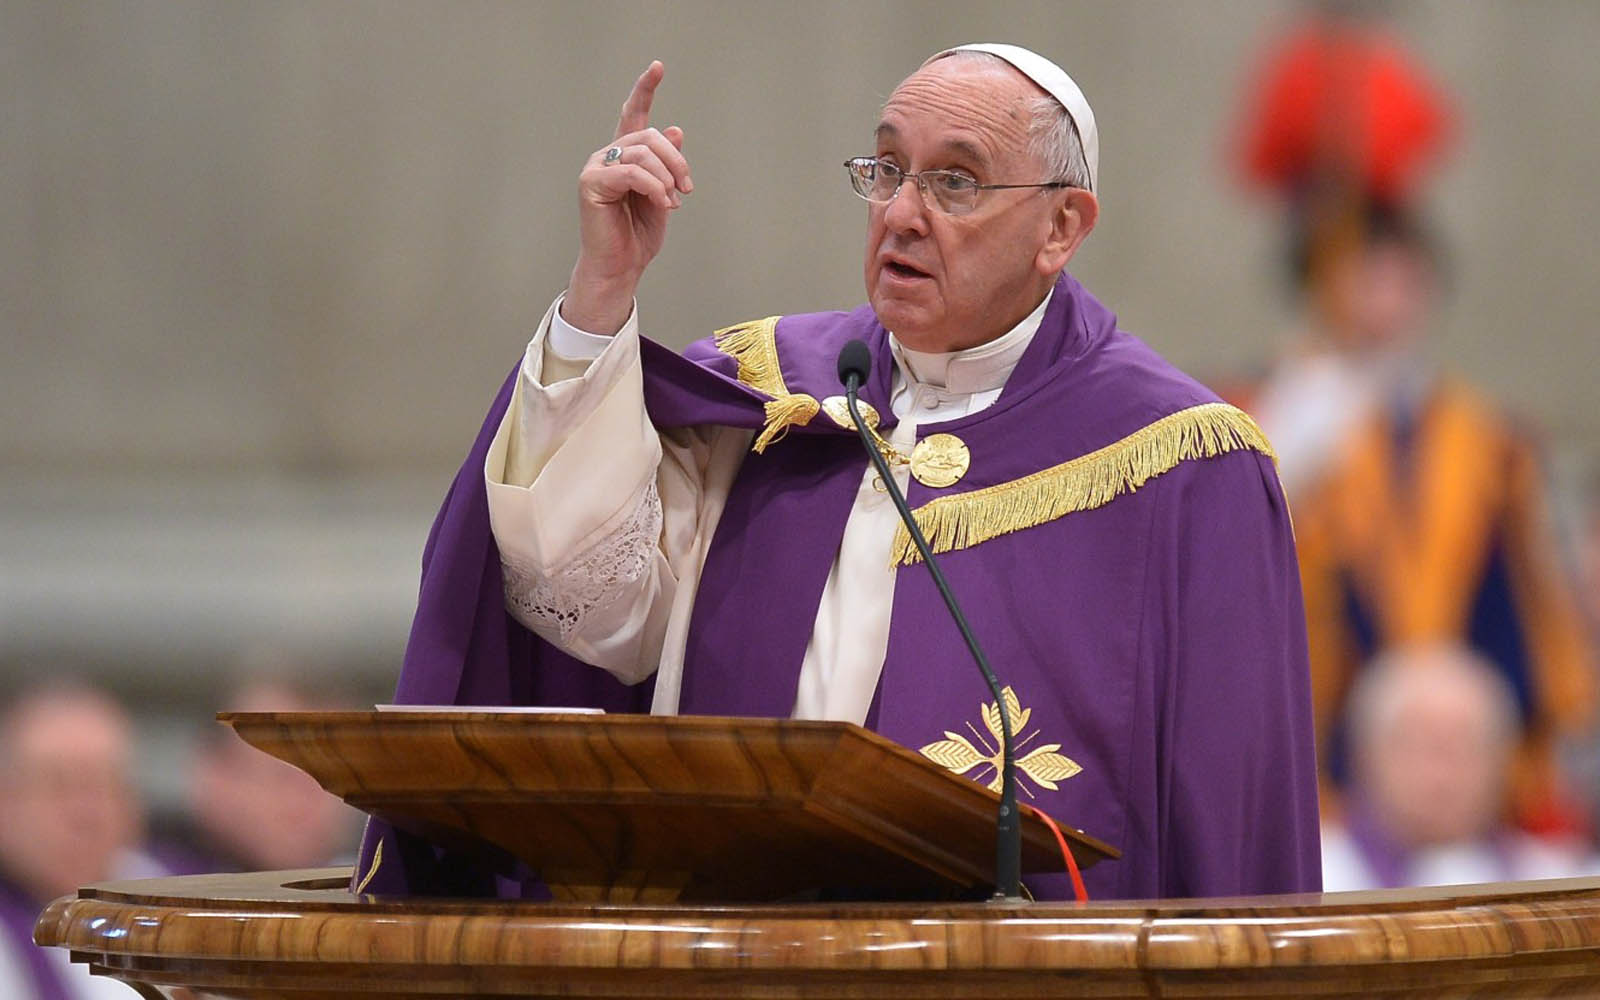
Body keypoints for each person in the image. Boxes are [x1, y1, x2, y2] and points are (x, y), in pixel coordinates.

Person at [357, 44, 1320, 901]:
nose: (900, 213)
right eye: (887, 169)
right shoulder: (769, 396)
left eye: (954, 182)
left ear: (1061, 228)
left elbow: (1232, 815)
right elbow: (587, 609)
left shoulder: (1180, 462)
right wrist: (602, 292)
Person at [1321, 643, 1600, 890]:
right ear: (1367, 757)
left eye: (1464, 748)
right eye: (1420, 746)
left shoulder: (1558, 880)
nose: (1442, 775)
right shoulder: (1320, 876)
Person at [0, 684, 144, 999]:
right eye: (60, 786)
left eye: (104, 785)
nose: (86, 813)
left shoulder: (177, 896)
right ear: (6, 801)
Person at [146, 679, 360, 876]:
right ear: (215, 776)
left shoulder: (366, 882)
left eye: (335, 776)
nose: (310, 799)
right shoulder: (146, 883)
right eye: (284, 776)